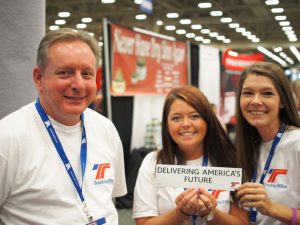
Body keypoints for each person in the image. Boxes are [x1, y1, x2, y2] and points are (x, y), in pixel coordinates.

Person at [0, 28, 127, 225]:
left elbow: (107, 200)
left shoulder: (106, 129)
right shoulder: (7, 137)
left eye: (87, 74)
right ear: (38, 78)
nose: (78, 84)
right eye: (64, 73)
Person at [133, 85, 249, 225]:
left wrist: (211, 213)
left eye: (194, 116)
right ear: (167, 124)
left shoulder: (230, 160)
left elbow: (242, 223)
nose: (186, 124)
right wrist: (180, 213)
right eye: (176, 118)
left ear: (207, 120)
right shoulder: (153, 162)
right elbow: (143, 223)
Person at [234, 62, 300, 225]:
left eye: (267, 93)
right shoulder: (246, 147)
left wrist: (271, 208)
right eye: (248, 93)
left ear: (283, 101)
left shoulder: (297, 144)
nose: (256, 101)